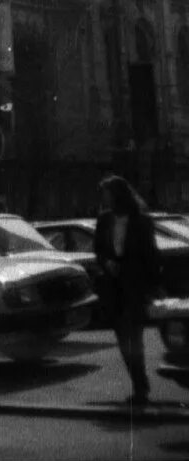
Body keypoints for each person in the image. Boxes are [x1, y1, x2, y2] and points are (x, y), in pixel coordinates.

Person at [94, 174, 162, 406]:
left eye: (107, 193)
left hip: (135, 286)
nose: (104, 198)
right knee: (124, 340)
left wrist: (153, 285)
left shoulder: (140, 221)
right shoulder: (104, 220)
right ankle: (138, 384)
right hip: (114, 288)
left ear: (118, 194)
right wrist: (107, 262)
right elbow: (99, 250)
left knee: (134, 337)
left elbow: (151, 254)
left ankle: (141, 388)